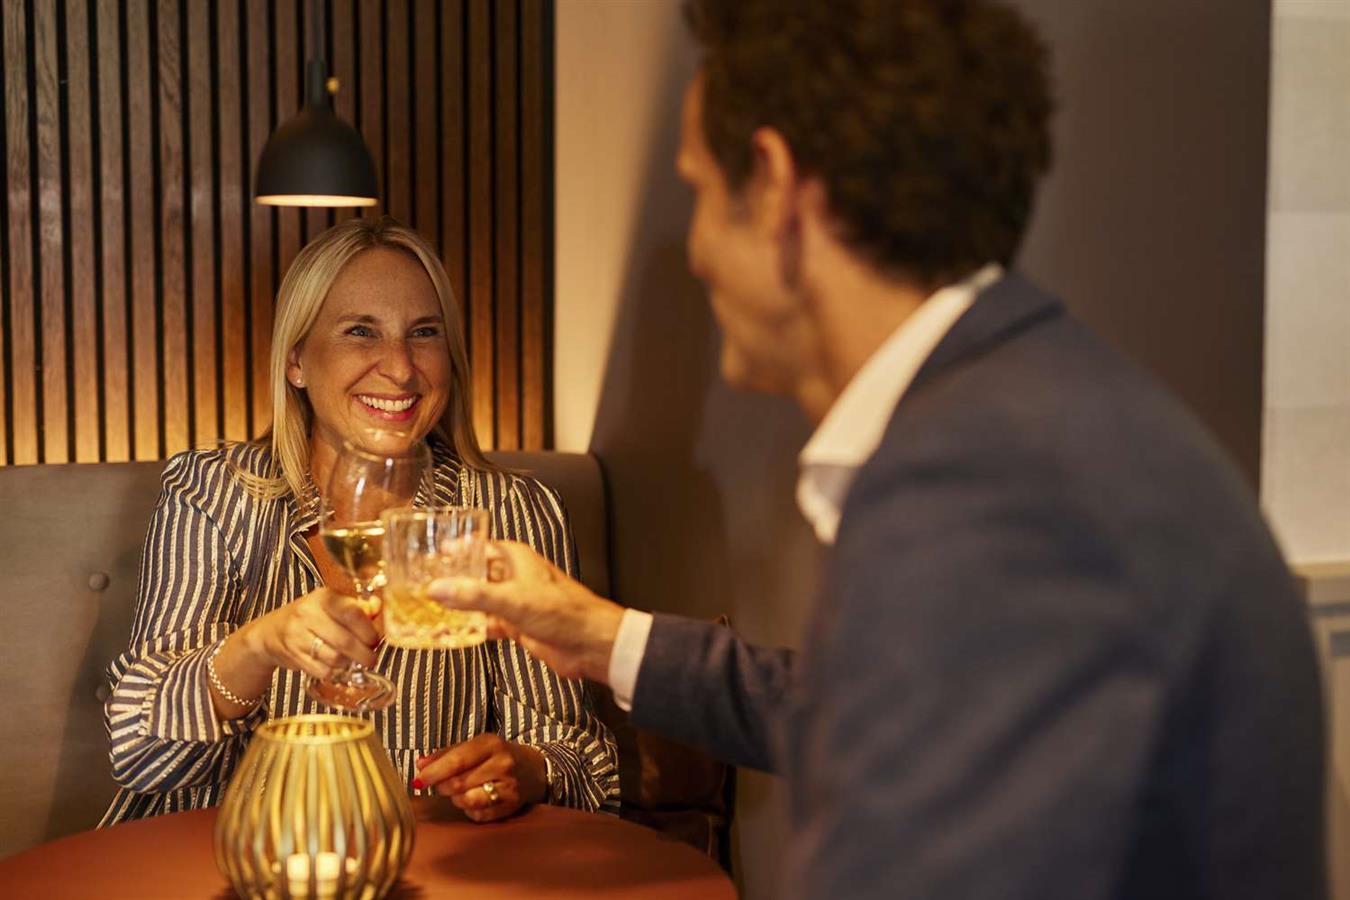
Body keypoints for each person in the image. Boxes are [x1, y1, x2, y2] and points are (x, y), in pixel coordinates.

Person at [427, 1, 1326, 897]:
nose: (695, 252)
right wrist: (595, 634)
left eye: (698, 191)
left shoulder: (976, 481)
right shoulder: (1038, 405)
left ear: (775, 189)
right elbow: (863, 708)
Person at [101, 216, 618, 827]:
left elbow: (583, 762)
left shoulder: (511, 512)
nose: (400, 368)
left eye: (423, 333)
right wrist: (258, 647)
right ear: (296, 360)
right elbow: (140, 753)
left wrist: (527, 769)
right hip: (223, 856)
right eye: (360, 332)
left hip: (417, 859)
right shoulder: (216, 492)